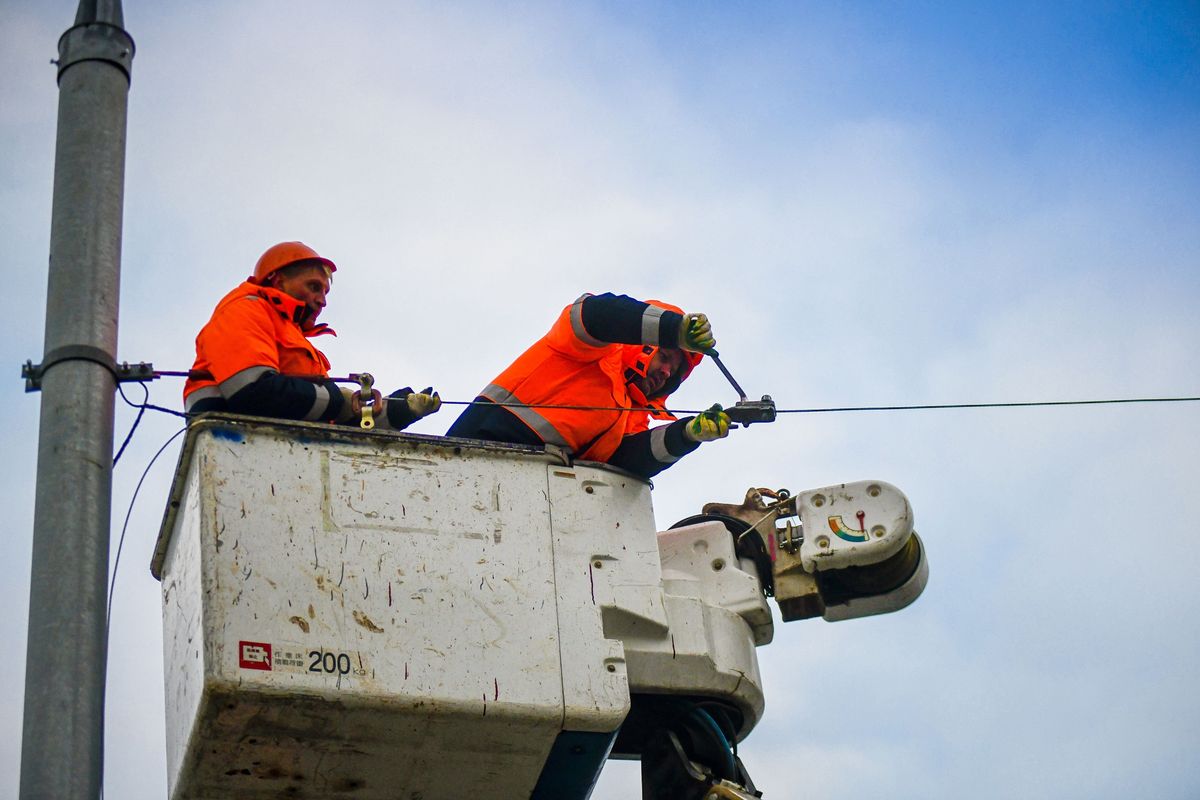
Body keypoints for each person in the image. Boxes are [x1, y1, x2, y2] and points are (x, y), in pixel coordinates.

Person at [446, 292, 731, 478]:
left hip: (529, 485)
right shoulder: (592, 348)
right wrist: (674, 328)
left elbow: (627, 461)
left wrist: (687, 434)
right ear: (644, 345)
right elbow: (594, 313)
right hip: (476, 454)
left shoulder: (628, 415)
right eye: (665, 356)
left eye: (675, 371)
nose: (667, 372)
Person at [184, 241, 440, 429]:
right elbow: (254, 393)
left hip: (281, 451)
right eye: (314, 287)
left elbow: (331, 420)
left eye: (326, 292)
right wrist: (341, 399)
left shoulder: (291, 337)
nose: (322, 301)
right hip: (236, 444)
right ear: (277, 281)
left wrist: (398, 410)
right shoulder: (244, 310)